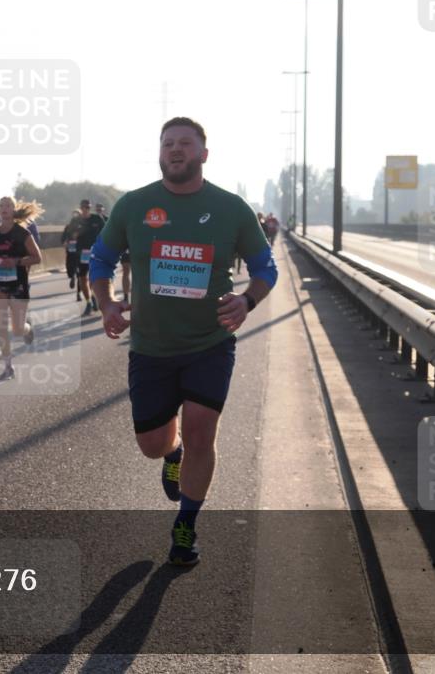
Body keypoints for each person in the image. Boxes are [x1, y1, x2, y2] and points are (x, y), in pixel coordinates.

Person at [89, 117, 277, 566]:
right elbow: (100, 259)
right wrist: (107, 303)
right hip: (151, 347)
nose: (175, 150)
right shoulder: (134, 205)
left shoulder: (231, 208)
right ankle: (171, 454)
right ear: (160, 153)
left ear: (203, 154)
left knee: (200, 431)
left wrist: (247, 300)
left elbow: (265, 268)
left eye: (185, 144)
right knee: (152, 444)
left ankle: (186, 524)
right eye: (168, 143)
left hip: (210, 343)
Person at [0, 197, 43, 381]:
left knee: (17, 330)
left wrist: (16, 261)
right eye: (1, 205)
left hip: (18, 284)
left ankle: (27, 329)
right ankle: (8, 367)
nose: (4, 208)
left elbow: (37, 257)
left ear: (14, 210)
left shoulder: (23, 233)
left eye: (8, 205)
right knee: (2, 326)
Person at [74, 199, 105, 315]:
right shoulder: (76, 220)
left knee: (94, 278)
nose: (85, 209)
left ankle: (94, 297)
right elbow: (70, 234)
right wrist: (73, 236)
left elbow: (106, 232)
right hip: (82, 253)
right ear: (80, 208)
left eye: (87, 207)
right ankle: (88, 302)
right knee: (82, 278)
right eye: (83, 207)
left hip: (95, 252)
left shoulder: (97, 219)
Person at [61, 210, 83, 295]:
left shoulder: (82, 226)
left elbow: (63, 238)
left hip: (80, 249)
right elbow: (63, 238)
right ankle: (73, 277)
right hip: (73, 249)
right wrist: (64, 242)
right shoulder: (69, 227)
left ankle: (78, 290)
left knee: (80, 270)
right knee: (73, 268)